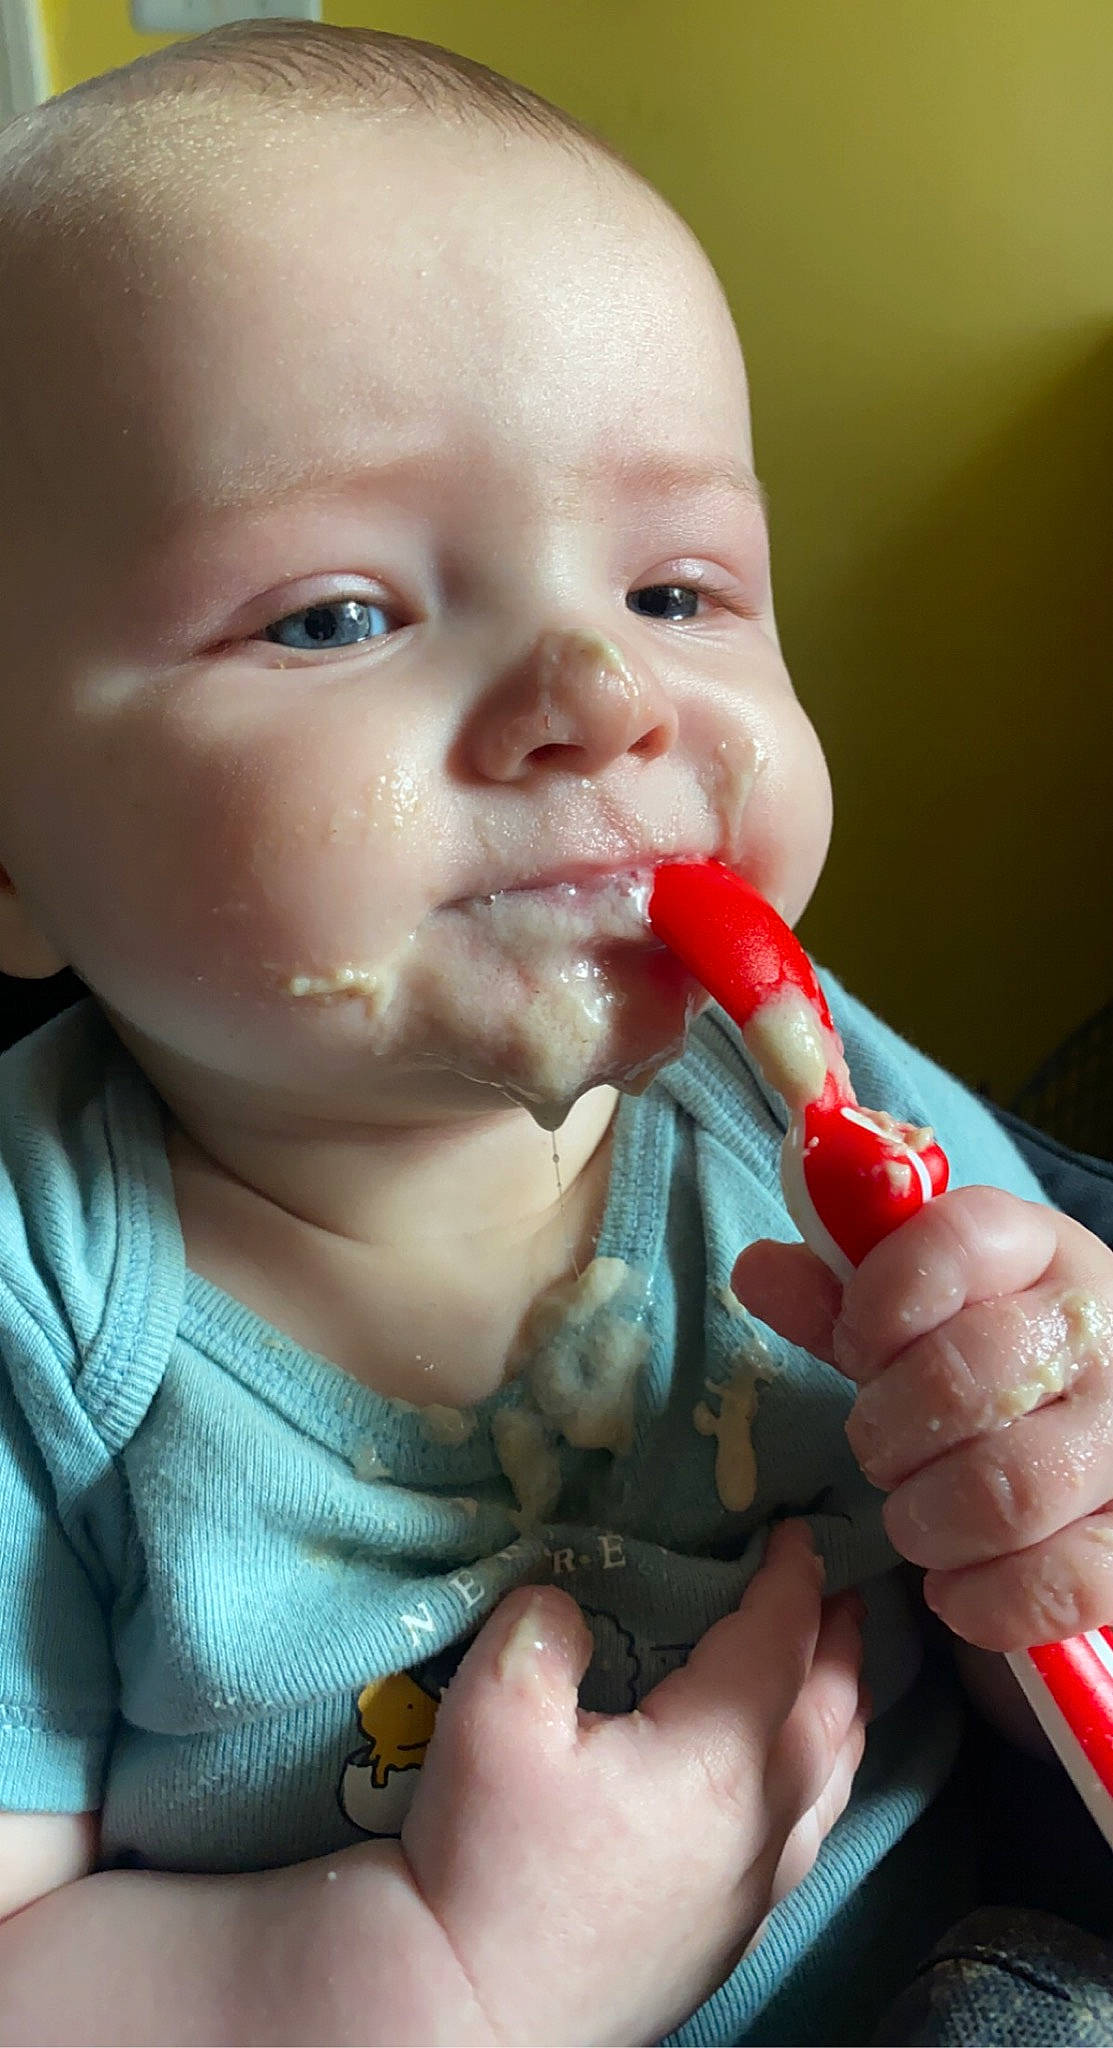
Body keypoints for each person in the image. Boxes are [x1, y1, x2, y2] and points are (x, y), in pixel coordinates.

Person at [0, 22, 1110, 2046]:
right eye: (333, 613)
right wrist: (441, 1977)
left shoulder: (817, 1105)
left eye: (680, 587)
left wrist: (1062, 1448)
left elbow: (1051, 1594)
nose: (601, 690)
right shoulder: (35, 1299)